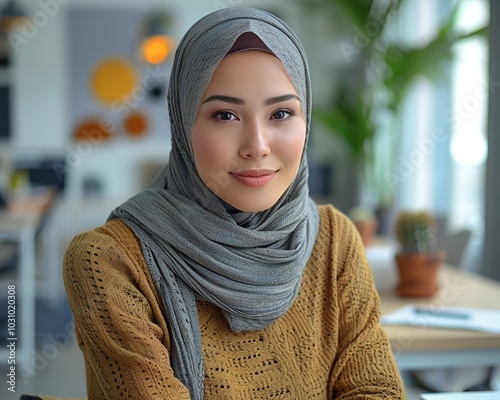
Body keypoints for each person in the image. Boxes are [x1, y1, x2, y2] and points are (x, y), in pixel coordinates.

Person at [62, 6, 406, 400]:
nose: (256, 146)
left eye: (281, 113)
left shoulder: (334, 240)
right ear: (183, 122)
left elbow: (377, 390)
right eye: (225, 115)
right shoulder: (110, 261)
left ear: (305, 118)